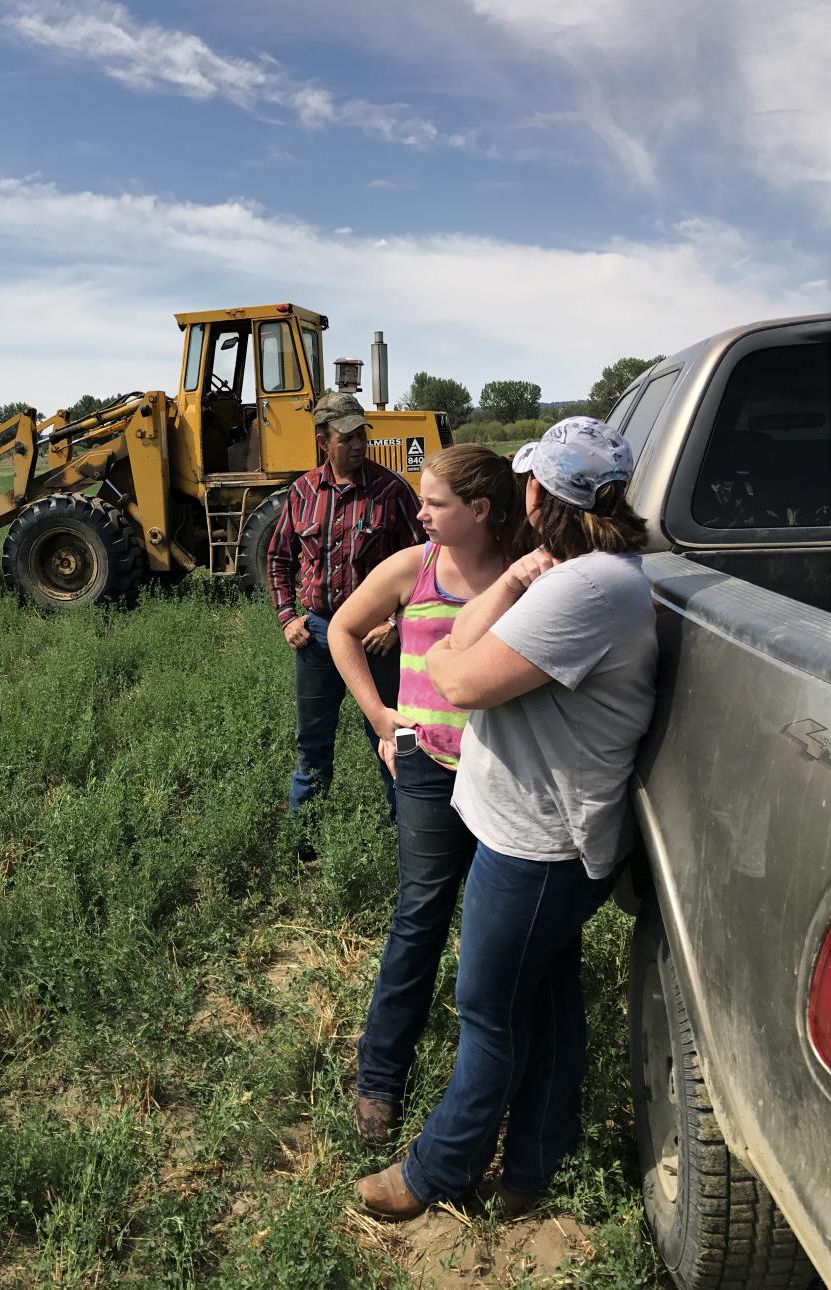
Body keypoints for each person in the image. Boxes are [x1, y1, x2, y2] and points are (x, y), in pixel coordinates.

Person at [354, 416, 657, 1220]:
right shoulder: (584, 576)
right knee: (548, 1007)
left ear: (540, 491)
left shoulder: (587, 590)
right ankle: (530, 1172)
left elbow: (457, 675)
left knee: (486, 1010)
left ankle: (433, 1174)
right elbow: (457, 639)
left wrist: (461, 650)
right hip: (539, 830)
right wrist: (514, 582)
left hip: (537, 842)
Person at [324, 445, 529, 1144]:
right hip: (426, 769)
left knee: (495, 928)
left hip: (506, 776)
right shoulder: (415, 567)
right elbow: (344, 631)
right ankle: (380, 1076)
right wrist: (380, 717)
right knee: (421, 915)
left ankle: (502, 1078)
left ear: (480, 511)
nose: (420, 513)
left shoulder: (522, 574)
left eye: (435, 503)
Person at [266, 404, 426, 827]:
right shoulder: (301, 493)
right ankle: (306, 840)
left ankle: (409, 831)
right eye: (346, 438)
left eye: (361, 436)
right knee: (313, 739)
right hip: (317, 635)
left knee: (394, 733)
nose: (358, 445)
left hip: (375, 638)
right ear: (324, 441)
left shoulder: (391, 491)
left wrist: (396, 623)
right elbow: (279, 558)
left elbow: (426, 565)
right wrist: (288, 618)